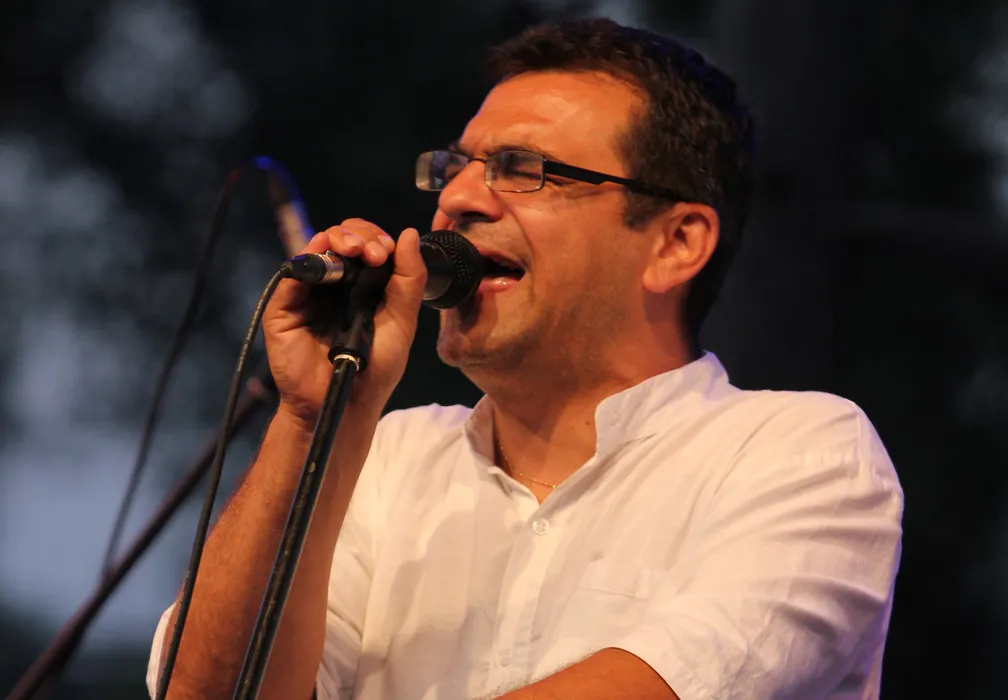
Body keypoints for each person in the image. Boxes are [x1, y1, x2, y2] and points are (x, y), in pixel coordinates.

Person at [146, 17, 903, 700]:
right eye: (454, 167)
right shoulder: (384, 461)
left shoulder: (801, 455)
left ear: (676, 244)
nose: (458, 199)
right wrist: (314, 423)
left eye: (523, 168)